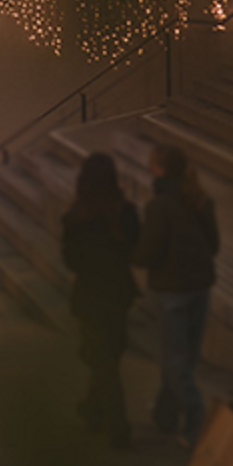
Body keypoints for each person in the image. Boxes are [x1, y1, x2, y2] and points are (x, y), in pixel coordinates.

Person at [134, 142, 220, 445]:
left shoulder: (159, 205)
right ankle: (165, 414)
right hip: (200, 287)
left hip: (171, 290)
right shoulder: (200, 199)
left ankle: (196, 418)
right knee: (185, 359)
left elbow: (146, 253)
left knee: (174, 360)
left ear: (158, 169)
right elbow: (214, 245)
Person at [60, 152, 141, 449]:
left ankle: (118, 425)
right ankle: (93, 408)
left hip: (91, 296)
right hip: (118, 294)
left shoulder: (76, 218)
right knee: (108, 355)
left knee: (102, 358)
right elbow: (136, 247)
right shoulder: (125, 213)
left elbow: (71, 261)